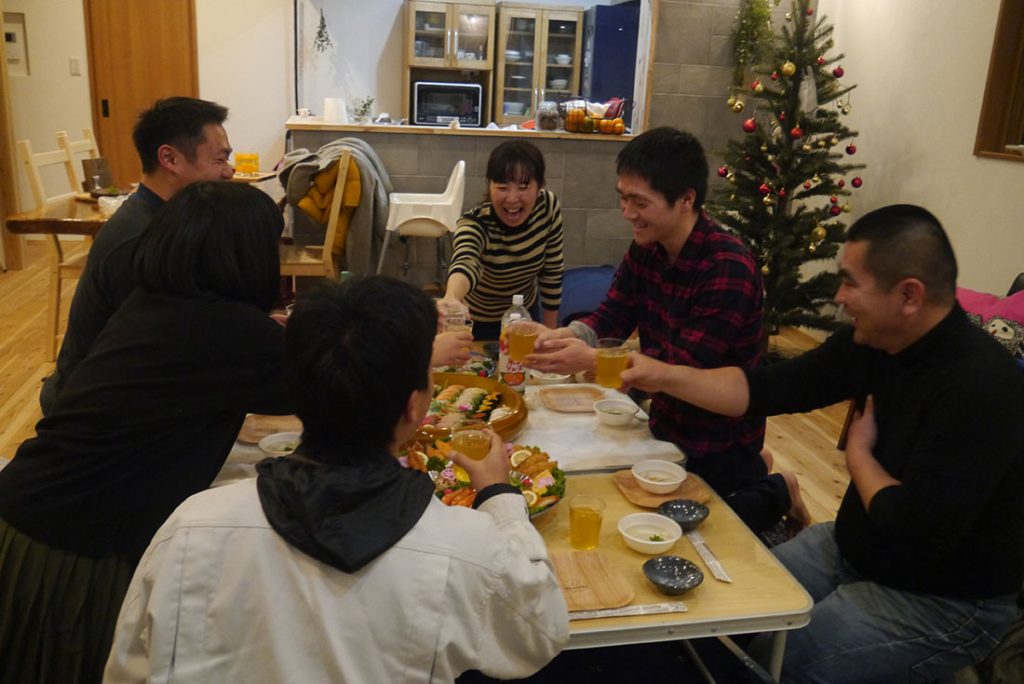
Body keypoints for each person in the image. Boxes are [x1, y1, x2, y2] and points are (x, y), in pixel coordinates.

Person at [620, 205, 1024, 682]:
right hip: (853, 547)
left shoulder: (980, 386)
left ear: (909, 295)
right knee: (724, 615)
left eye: (850, 282)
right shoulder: (877, 341)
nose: (839, 296)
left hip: (944, 598)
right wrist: (663, 376)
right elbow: (769, 388)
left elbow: (914, 528)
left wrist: (859, 455)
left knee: (772, 663)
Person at [104, 276, 570, 682]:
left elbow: (128, 670)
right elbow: (541, 632)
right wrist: (499, 495)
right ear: (414, 407)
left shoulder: (190, 526)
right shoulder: (464, 548)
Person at [0, 182, 291, 683]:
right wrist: (418, 347)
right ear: (246, 255)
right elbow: (331, 384)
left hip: (24, 516)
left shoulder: (153, 304)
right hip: (65, 551)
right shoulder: (228, 330)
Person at [526, 127, 807, 534]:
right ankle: (758, 473)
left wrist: (591, 359)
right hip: (663, 421)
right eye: (623, 198)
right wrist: (565, 337)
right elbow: (611, 315)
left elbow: (683, 365)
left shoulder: (727, 266)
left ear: (686, 200)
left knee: (694, 530)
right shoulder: (647, 249)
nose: (627, 213)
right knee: (619, 504)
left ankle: (779, 488)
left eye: (640, 202)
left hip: (720, 438)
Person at [40, 96, 235, 415]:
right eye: (219, 160)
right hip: (91, 406)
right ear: (170, 159)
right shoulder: (138, 240)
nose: (229, 171)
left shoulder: (166, 218)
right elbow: (155, 354)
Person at [440, 140, 565, 340]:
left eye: (523, 187)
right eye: (502, 187)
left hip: (525, 315)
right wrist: (452, 297)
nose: (512, 198)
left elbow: (552, 272)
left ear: (539, 186)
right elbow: (465, 261)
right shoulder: (476, 223)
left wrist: (550, 333)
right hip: (480, 322)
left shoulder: (548, 207)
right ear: (489, 186)